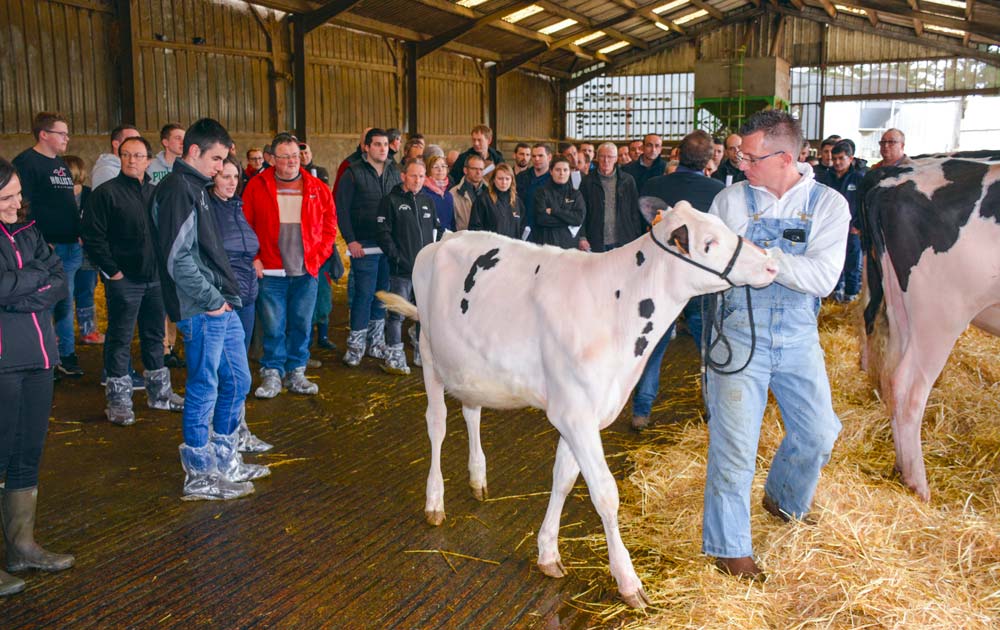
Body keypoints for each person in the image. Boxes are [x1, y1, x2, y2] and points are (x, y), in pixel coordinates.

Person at [703, 110, 848, 581]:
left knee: (819, 432)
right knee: (735, 447)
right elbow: (708, 264)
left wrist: (759, 257)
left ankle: (784, 496)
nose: (742, 163)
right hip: (739, 334)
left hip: (798, 336)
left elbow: (824, 279)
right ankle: (729, 546)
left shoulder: (829, 204)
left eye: (751, 156)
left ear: (786, 157)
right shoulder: (728, 201)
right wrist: (778, 263)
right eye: (741, 155)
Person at [149, 118, 269, 501]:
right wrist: (212, 299)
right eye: (216, 158)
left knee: (237, 380)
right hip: (202, 306)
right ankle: (199, 475)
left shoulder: (195, 188)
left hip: (219, 301)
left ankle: (225, 457)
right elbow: (177, 258)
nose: (221, 168)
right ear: (193, 151)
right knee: (205, 384)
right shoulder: (178, 190)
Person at [0, 158, 75, 597]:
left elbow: (59, 281)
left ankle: (21, 545)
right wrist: (30, 285)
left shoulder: (28, 231)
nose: (15, 204)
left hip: (40, 358)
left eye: (16, 195)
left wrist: (19, 287)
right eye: (5, 198)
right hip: (4, 361)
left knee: (28, 452)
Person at [81, 136, 184, 426]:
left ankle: (159, 394)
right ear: (120, 157)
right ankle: (118, 400)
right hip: (124, 280)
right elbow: (92, 236)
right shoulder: (106, 194)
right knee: (120, 337)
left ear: (148, 160)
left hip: (154, 279)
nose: (132, 160)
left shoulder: (156, 193)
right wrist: (113, 271)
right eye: (126, 155)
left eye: (138, 156)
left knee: (155, 336)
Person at [630, 130, 725, 430]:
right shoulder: (718, 192)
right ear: (709, 159)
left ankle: (641, 410)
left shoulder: (655, 186)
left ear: (677, 154)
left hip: (661, 280)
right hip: (700, 282)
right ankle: (714, 408)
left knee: (654, 345)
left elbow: (641, 232)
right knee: (708, 347)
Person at [243, 132, 337, 398]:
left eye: (296, 156)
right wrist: (254, 257)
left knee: (301, 322)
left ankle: (296, 371)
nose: (293, 162)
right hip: (271, 270)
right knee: (273, 325)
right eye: (285, 157)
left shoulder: (316, 187)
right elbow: (245, 225)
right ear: (272, 159)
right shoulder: (256, 186)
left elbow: (330, 225)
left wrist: (318, 257)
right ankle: (272, 372)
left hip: (306, 269)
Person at [206, 157, 273, 453]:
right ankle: (219, 431)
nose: (232, 182)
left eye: (235, 176)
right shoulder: (208, 211)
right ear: (213, 178)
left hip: (246, 296)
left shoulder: (237, 207)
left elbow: (246, 247)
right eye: (225, 176)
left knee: (240, 367)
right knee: (227, 372)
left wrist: (254, 258)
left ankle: (238, 427)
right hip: (223, 299)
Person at [12, 112, 85, 378]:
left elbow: (66, 204)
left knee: (66, 299)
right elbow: (23, 207)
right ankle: (48, 356)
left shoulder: (61, 165)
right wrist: (40, 243)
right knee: (48, 302)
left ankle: (66, 354)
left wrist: (77, 231)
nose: (67, 137)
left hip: (70, 245)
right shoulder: (26, 163)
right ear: (44, 134)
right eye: (61, 133)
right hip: (48, 248)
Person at [336, 128, 401, 367]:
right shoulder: (353, 173)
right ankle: (355, 345)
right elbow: (342, 209)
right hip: (364, 245)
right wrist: (351, 240)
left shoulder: (396, 172)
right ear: (366, 147)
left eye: (385, 144)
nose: (383, 148)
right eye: (377, 144)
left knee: (382, 294)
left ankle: (376, 343)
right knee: (363, 294)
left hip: (388, 245)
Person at [375, 159, 440, 374]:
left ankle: (422, 354)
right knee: (397, 314)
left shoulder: (427, 201)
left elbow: (435, 231)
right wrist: (397, 258)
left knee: (424, 313)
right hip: (401, 270)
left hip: (425, 271)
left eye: (421, 176)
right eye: (413, 175)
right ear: (403, 176)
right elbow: (383, 234)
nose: (417, 180)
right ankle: (394, 356)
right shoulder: (390, 201)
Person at [63, 155, 103, 345]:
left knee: (86, 289)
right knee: (64, 292)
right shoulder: (57, 197)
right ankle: (61, 332)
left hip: (87, 253)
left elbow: (95, 221)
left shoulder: (89, 195)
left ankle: (88, 331)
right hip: (65, 251)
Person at [578, 142, 642, 253]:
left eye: (610, 157)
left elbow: (634, 211)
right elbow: (581, 212)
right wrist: (582, 237)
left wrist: (636, 236)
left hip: (624, 240)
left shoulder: (627, 180)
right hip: (595, 240)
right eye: (602, 156)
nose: (606, 160)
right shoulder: (587, 181)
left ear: (616, 158)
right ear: (597, 158)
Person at [828, 140, 866, 303]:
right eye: (834, 158)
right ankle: (834, 290)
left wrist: (858, 225)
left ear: (851, 159)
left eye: (841, 158)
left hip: (851, 229)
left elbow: (864, 204)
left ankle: (850, 295)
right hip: (830, 228)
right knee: (831, 259)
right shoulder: (826, 177)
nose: (837, 162)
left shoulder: (859, 178)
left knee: (852, 262)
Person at [532, 156, 585, 249]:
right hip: (547, 246)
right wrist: (569, 221)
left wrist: (554, 211)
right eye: (558, 170)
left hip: (569, 247)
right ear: (551, 171)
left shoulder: (576, 194)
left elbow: (578, 219)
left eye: (565, 170)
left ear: (570, 172)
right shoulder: (541, 192)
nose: (562, 173)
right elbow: (541, 219)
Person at [469, 162, 523, 239]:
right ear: (494, 179)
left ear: (512, 180)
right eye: (500, 178)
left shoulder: (517, 202)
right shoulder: (483, 200)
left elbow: (522, 228)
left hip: (511, 248)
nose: (504, 182)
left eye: (507, 179)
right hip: (490, 248)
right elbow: (475, 229)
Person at [516, 143, 552, 240]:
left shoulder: (555, 180)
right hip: (524, 230)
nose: (536, 159)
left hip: (547, 233)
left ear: (549, 157)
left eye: (540, 156)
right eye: (534, 156)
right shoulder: (521, 177)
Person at [91, 125, 141, 190]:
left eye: (139, 141)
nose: (139, 145)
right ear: (116, 144)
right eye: (132, 141)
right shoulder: (105, 171)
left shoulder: (131, 167)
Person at [449, 154, 486, 230]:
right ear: (465, 170)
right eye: (474, 169)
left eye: (481, 169)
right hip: (464, 239)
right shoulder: (453, 194)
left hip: (486, 239)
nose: (478, 172)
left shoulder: (490, 192)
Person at [422, 155, 455, 232]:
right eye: (436, 167)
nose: (440, 170)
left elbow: (452, 222)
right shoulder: (423, 193)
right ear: (428, 170)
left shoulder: (448, 195)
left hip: (447, 238)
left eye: (443, 166)